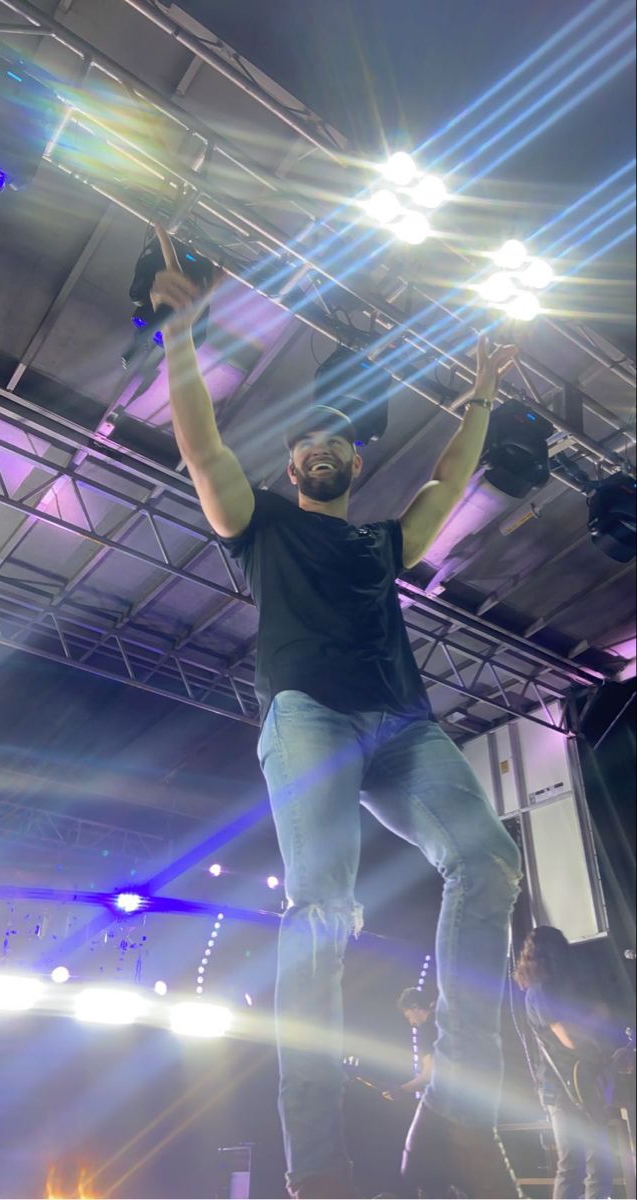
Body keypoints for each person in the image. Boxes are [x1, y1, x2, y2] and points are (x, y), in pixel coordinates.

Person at [151, 226, 523, 1199]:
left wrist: (480, 392)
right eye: (302, 443)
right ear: (288, 470)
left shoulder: (379, 544)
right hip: (309, 715)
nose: (317, 449)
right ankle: (314, 1162)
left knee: (486, 863)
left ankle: (461, 1094)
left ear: (350, 467)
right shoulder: (258, 525)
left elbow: (447, 481)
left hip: (404, 725)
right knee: (326, 908)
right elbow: (199, 446)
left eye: (333, 443)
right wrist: (180, 335)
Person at [514, 926, 616, 1199]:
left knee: (596, 1158)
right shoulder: (540, 991)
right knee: (576, 1161)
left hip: (576, 1080)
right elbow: (569, 1037)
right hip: (563, 1085)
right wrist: (597, 1016)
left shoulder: (550, 989)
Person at [393, 986, 438, 1098]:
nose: (411, 1022)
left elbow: (428, 1074)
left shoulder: (427, 1028)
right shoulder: (442, 1020)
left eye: (408, 1016)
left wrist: (401, 1090)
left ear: (415, 1007)